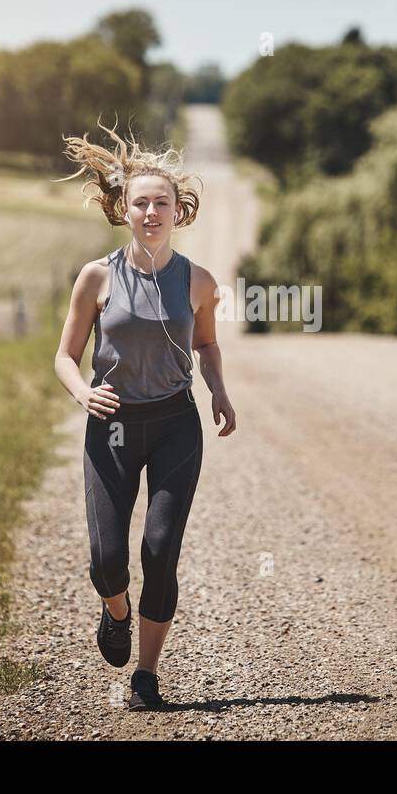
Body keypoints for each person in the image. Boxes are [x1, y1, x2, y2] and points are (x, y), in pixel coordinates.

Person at [53, 118, 237, 711]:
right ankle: (116, 611)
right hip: (110, 429)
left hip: (175, 426)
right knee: (107, 562)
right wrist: (83, 392)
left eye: (163, 203)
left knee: (159, 553)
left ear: (179, 211)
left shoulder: (199, 282)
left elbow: (207, 345)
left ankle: (146, 676)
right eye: (141, 203)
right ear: (122, 209)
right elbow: (63, 356)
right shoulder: (97, 276)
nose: (152, 212)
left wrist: (219, 393)